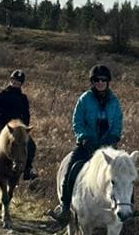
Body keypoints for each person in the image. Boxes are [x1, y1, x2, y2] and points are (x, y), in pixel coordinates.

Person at [46, 64, 123, 223]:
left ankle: (128, 208)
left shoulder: (114, 101)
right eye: (97, 80)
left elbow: (118, 122)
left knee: (124, 172)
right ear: (92, 82)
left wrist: (113, 137)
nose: (100, 82)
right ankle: (65, 207)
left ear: (108, 82)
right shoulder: (85, 99)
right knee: (72, 169)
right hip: (87, 145)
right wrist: (83, 137)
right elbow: (77, 121)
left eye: (103, 80)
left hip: (107, 148)